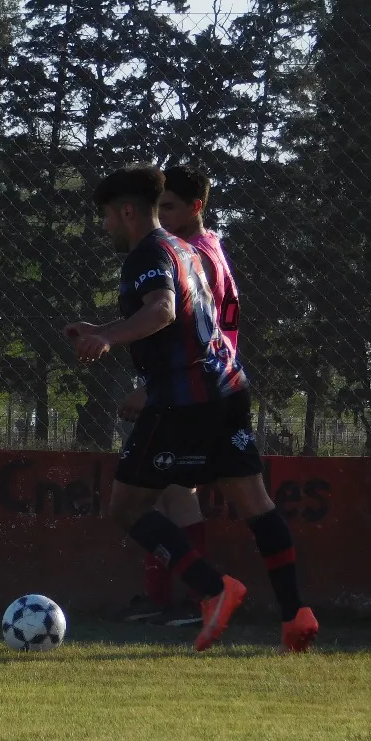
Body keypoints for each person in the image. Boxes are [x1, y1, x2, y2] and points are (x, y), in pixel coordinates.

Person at [65, 165, 319, 652]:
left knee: (126, 507)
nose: (105, 228)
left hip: (185, 399)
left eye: (106, 218)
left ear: (126, 211)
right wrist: (99, 326)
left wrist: (106, 340)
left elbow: (160, 309)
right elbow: (177, 313)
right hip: (227, 387)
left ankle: (212, 589)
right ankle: (294, 614)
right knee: (255, 503)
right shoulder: (187, 248)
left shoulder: (147, 251)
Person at [119, 166, 241, 627]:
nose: (161, 216)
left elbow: (191, 329)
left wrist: (148, 388)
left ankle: (201, 596)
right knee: (162, 491)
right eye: (158, 206)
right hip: (205, 386)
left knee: (171, 489)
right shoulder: (206, 249)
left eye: (168, 207)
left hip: (197, 388)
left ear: (196, 207)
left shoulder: (194, 255)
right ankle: (170, 596)